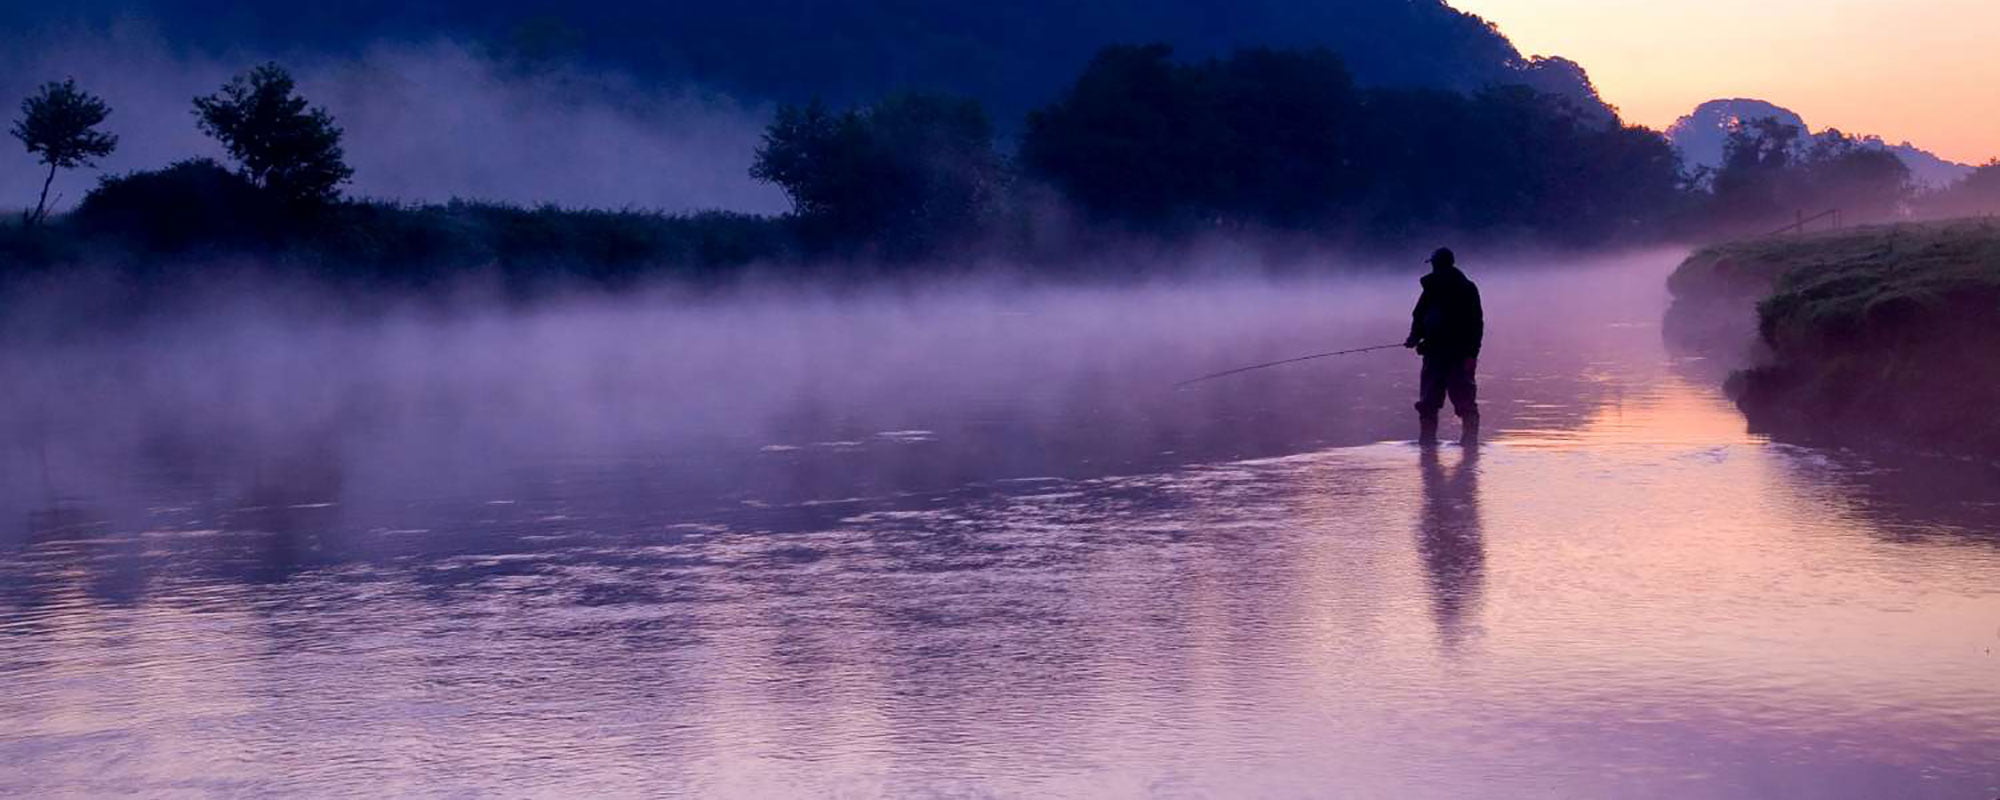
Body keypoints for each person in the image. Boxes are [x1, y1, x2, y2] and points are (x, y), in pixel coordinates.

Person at [1403, 247, 1483, 445]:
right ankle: (1468, 446)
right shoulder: (1466, 287)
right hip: (1453, 353)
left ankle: (1428, 445)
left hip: (1444, 353)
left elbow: (1419, 316)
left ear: (1436, 264)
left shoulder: (1439, 287)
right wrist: (1472, 354)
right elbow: (1477, 324)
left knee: (1430, 402)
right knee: (1463, 402)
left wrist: (1414, 337)